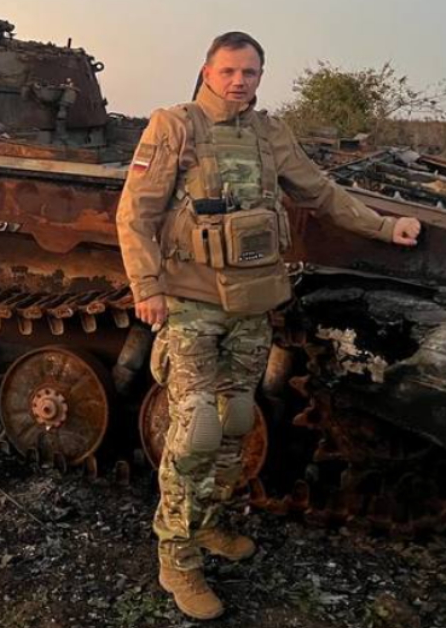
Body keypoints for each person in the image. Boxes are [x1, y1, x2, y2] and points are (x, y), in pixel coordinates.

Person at [117, 31, 421, 620]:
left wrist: (385, 227)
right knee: (196, 430)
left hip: (251, 304)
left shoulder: (268, 133)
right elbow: (135, 214)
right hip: (191, 303)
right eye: (229, 70)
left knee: (236, 422)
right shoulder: (174, 126)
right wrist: (147, 287)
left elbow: (321, 193)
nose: (239, 81)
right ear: (207, 71)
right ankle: (176, 557)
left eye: (250, 72)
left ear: (260, 76)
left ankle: (210, 524)